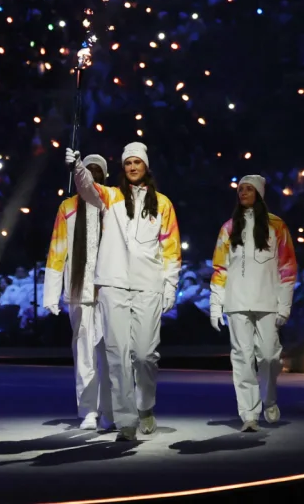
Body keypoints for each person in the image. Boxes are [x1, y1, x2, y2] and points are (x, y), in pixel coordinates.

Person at [69, 141, 181, 442]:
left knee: (144, 355)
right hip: (113, 285)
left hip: (148, 286)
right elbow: (87, 188)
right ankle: (126, 420)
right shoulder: (111, 197)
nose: (133, 167)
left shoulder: (163, 204)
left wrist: (170, 286)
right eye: (128, 163)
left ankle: (145, 407)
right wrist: (78, 167)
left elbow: (171, 249)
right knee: (116, 355)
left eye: (138, 163)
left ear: (146, 166)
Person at [210, 175, 297, 432]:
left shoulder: (276, 226)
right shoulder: (228, 227)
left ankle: (269, 399)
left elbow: (288, 267)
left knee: (269, 356)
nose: (243, 193)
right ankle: (249, 413)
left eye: (249, 189)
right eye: (241, 189)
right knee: (242, 358)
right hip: (236, 302)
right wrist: (216, 304)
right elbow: (219, 267)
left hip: (268, 300)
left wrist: (285, 304)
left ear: (259, 193)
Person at [43, 153, 115, 430]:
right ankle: (89, 411)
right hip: (79, 291)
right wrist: (51, 294)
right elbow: (57, 249)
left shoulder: (113, 203)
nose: (93, 174)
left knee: (109, 353)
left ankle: (109, 409)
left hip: (109, 289)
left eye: (97, 170)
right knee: (84, 353)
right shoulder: (68, 207)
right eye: (88, 170)